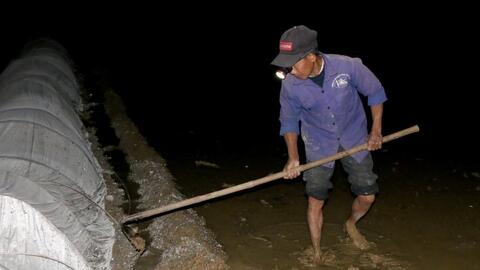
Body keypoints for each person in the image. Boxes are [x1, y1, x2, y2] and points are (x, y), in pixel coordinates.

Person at [271, 25, 387, 264]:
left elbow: (375, 93)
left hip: (354, 137)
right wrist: (293, 158)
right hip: (318, 142)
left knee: (367, 194)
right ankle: (316, 253)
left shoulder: (348, 66)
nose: (288, 70)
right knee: (316, 199)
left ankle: (351, 224)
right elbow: (289, 121)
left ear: (311, 56)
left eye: (293, 63)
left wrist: (375, 132)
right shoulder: (290, 84)